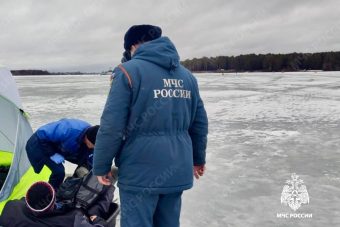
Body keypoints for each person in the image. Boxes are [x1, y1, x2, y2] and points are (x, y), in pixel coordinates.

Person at [93, 24, 208, 227]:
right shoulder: (187, 77)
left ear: (133, 46)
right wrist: (198, 159)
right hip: (176, 168)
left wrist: (101, 165)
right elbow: (199, 123)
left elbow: (112, 125)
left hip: (140, 172)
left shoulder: (127, 72)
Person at [26, 118, 99, 189]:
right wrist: (52, 154)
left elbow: (91, 159)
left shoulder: (94, 136)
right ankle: (50, 195)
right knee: (59, 171)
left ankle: (70, 188)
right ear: (87, 137)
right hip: (39, 144)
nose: (94, 147)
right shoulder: (68, 129)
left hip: (62, 147)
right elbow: (41, 134)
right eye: (93, 144)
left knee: (86, 165)